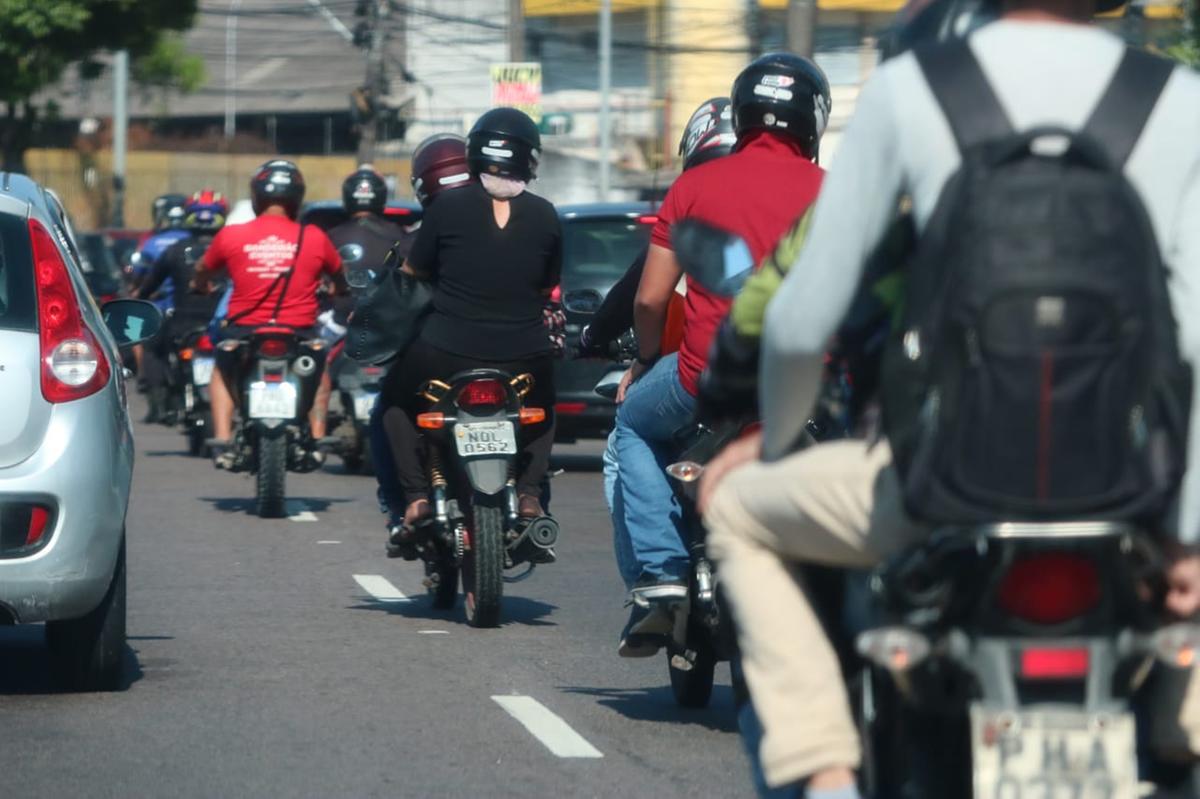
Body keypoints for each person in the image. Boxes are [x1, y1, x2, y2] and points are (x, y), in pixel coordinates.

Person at [701, 7, 1200, 799]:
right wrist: (1187, 535)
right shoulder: (1178, 98)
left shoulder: (912, 91)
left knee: (736, 511)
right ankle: (1182, 721)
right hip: (1132, 495)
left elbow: (799, 320)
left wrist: (772, 446)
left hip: (940, 490)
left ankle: (826, 768)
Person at [611, 56, 830, 658]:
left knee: (631, 427)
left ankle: (658, 575)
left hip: (704, 383)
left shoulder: (693, 187)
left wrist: (642, 361)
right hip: (808, 387)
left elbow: (651, 299)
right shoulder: (836, 193)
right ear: (811, 119)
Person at [381, 108, 561, 551]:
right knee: (545, 408)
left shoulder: (446, 208)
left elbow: (413, 270)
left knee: (393, 403)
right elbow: (546, 284)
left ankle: (417, 499)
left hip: (445, 350)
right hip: (524, 355)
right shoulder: (546, 215)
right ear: (530, 159)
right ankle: (531, 494)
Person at [192, 159, 345, 467]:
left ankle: (222, 441)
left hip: (243, 330)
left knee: (221, 371)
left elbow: (202, 271)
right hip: (298, 331)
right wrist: (337, 290)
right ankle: (315, 440)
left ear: (257, 196)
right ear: (297, 198)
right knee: (319, 371)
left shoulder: (231, 235)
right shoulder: (314, 237)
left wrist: (201, 286)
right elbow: (340, 277)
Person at [133, 193, 190, 421]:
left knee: (152, 352)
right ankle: (179, 401)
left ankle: (156, 405)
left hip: (158, 304)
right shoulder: (189, 240)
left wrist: (138, 292)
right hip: (185, 305)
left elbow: (139, 273)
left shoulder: (152, 242)